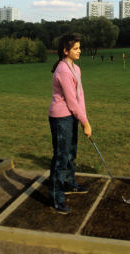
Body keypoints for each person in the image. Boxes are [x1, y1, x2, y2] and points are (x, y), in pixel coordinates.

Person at [48, 35, 92, 215]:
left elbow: (80, 96)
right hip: (61, 118)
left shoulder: (76, 68)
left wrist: (84, 120)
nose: (79, 51)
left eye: (79, 48)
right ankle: (56, 199)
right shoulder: (63, 70)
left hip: (71, 117)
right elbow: (71, 101)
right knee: (60, 159)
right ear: (66, 51)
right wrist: (85, 122)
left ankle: (69, 184)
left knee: (70, 152)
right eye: (76, 48)